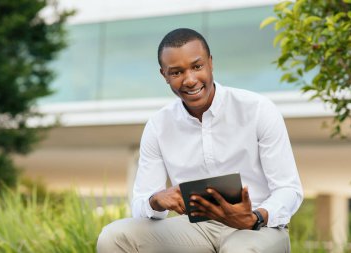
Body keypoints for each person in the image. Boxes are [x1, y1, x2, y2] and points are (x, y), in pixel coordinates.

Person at [97, 28, 303, 253]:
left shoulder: (258, 110)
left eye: (197, 66)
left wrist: (255, 218)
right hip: (195, 230)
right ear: (164, 75)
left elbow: (289, 190)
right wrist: (156, 200)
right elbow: (140, 206)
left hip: (259, 228)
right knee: (114, 237)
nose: (190, 80)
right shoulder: (158, 126)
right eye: (176, 72)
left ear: (210, 63)